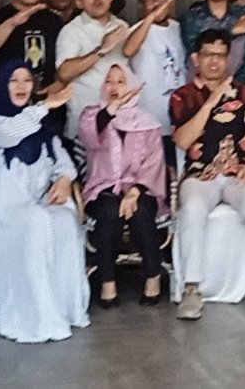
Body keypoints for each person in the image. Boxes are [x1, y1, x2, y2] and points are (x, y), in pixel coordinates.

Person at [168, 29, 245, 320]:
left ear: (228, 60)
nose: (214, 62)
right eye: (208, 55)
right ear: (195, 59)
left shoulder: (243, 93)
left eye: (221, 56)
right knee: (193, 208)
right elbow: (183, 141)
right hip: (199, 175)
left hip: (238, 172)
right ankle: (191, 288)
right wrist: (211, 102)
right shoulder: (182, 96)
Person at [0, 62, 89, 342]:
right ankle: (36, 320)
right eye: (14, 80)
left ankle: (66, 310)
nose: (21, 86)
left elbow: (64, 163)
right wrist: (44, 106)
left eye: (27, 80)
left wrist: (64, 180)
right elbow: (13, 132)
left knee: (65, 220)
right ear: (2, 85)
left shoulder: (43, 128)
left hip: (33, 205)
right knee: (37, 220)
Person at [78, 63, 167, 307]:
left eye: (121, 81)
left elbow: (154, 162)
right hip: (102, 188)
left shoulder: (148, 122)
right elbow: (89, 137)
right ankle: (107, 282)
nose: (114, 87)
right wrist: (112, 108)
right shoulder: (91, 115)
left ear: (132, 86)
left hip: (140, 187)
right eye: (109, 81)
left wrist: (135, 191)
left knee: (141, 212)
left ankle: (152, 276)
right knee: (109, 213)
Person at [55, 0, 132, 140]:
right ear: (79, 2)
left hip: (121, 122)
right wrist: (101, 50)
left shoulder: (122, 26)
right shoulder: (71, 30)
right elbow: (64, 73)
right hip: (85, 129)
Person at [127, 0, 187, 138]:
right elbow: (129, 50)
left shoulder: (178, 27)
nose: (157, 4)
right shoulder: (137, 31)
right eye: (151, 0)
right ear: (141, 5)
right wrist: (151, 17)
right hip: (151, 121)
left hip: (181, 117)